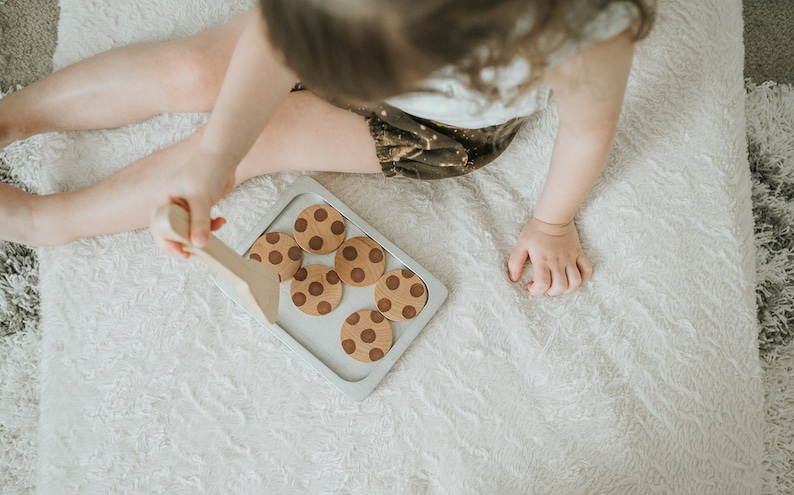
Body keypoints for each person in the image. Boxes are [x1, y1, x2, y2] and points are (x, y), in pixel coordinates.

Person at [0, 0, 654, 297]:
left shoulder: (582, 26)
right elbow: (279, 36)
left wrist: (552, 221)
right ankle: (12, 117)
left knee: (277, 130)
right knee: (197, 71)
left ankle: (47, 221)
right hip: (323, 28)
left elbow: (588, 127)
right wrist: (217, 152)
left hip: (436, 126)